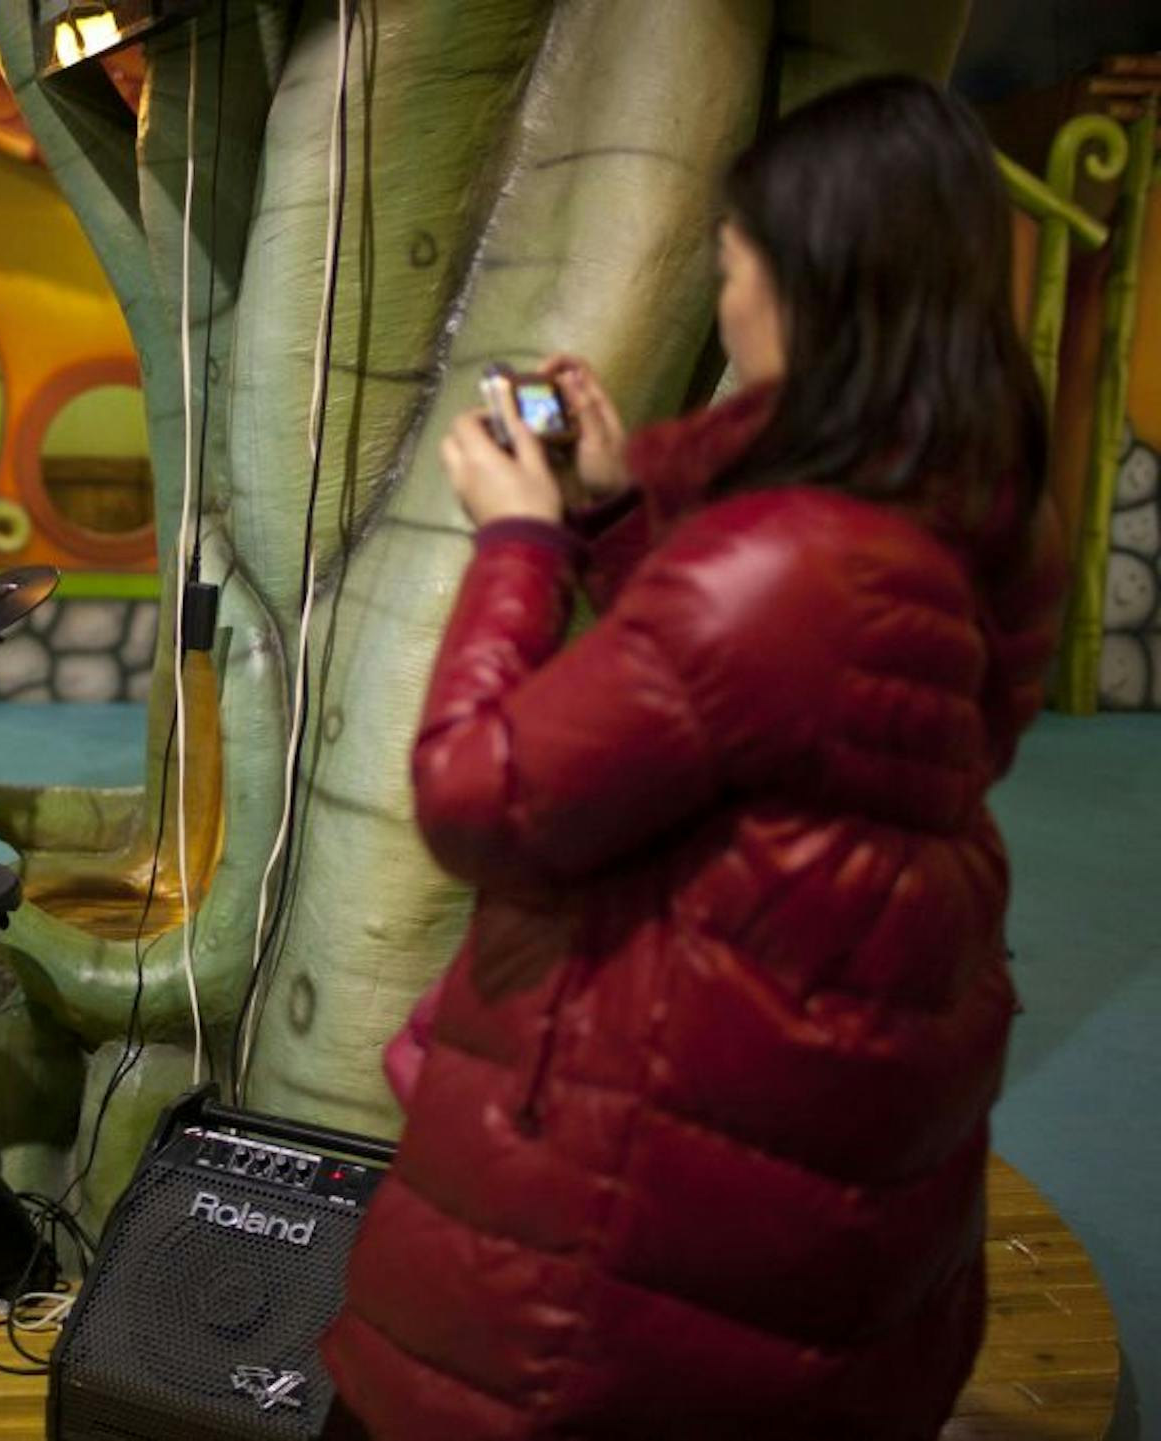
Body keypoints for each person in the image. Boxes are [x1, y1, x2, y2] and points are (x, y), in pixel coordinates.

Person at [323, 76, 1065, 1439]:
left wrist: (525, 540)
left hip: (631, 1207)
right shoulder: (963, 509)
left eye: (734, 269)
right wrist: (618, 513)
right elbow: (754, 708)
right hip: (811, 1118)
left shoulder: (783, 558)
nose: (725, 303)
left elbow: (477, 794)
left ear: (809, 289)